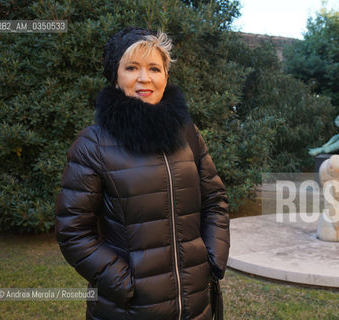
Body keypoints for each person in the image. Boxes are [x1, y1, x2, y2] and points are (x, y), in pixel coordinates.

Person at [55, 27, 230, 320]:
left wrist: (212, 260)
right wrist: (125, 284)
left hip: (196, 304)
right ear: (115, 77)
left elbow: (215, 200)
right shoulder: (93, 144)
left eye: (154, 68)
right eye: (132, 67)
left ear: (166, 76)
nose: (144, 78)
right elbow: (73, 231)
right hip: (127, 309)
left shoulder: (187, 133)